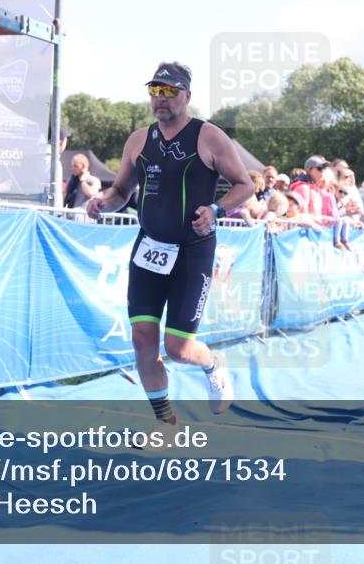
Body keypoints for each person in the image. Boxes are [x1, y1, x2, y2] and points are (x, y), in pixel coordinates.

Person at [86, 61, 252, 437]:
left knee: (178, 348)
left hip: (193, 252)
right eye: (155, 91)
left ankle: (213, 364)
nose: (160, 99)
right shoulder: (138, 140)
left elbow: (245, 184)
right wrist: (101, 204)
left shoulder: (208, 137)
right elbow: (121, 193)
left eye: (169, 91)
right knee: (142, 339)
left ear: (187, 96)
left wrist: (216, 210)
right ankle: (166, 423)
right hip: (149, 250)